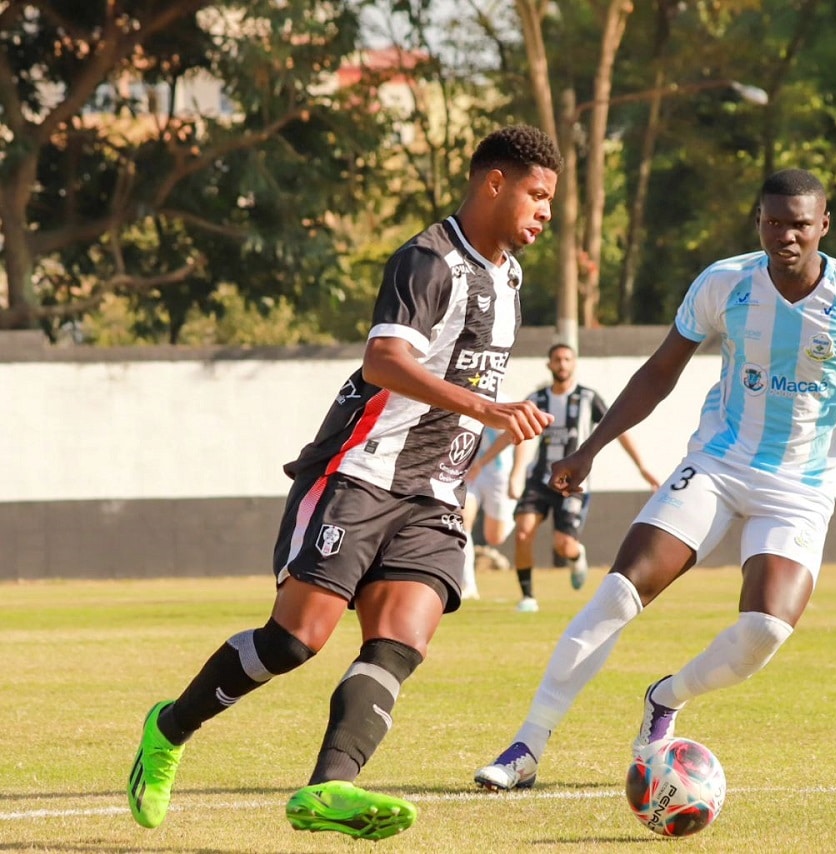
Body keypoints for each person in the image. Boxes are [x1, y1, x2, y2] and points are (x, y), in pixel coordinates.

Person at [125, 124, 562, 840]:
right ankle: (168, 730)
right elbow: (384, 363)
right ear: (494, 182)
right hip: (358, 476)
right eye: (537, 195)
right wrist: (487, 409)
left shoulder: (509, 274)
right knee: (295, 642)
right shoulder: (428, 261)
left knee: (401, 639)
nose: (545, 212)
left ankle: (328, 788)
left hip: (433, 495)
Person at [475, 167, 836, 791]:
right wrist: (590, 449)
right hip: (719, 463)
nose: (786, 236)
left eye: (800, 224)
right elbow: (659, 372)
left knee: (764, 631)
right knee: (618, 592)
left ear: (823, 226)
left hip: (802, 487)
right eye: (774, 222)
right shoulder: (725, 283)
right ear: (758, 222)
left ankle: (666, 697)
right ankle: (526, 747)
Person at [471, 342, 659, 613]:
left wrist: (641, 466)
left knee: (564, 546)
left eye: (567, 359)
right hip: (539, 479)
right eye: (557, 359)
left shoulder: (587, 398)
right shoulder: (537, 399)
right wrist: (482, 463)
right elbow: (510, 432)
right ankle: (528, 597)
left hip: (572, 483)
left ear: (574, 364)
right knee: (523, 533)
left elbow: (618, 428)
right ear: (549, 365)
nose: (562, 364)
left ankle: (576, 554)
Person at [459, 409, 518, 600]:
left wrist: (482, 463)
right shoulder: (462, 395)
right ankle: (468, 585)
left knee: (495, 536)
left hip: (497, 474)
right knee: (462, 520)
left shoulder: (504, 400)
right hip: (468, 472)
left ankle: (513, 516)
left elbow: (512, 434)